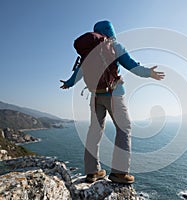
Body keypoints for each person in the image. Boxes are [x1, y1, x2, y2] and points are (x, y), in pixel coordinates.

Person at [60, 20, 165, 184]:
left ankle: (92, 172)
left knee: (94, 131)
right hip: (114, 94)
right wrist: (149, 73)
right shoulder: (114, 46)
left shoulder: (89, 52)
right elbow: (132, 66)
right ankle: (120, 173)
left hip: (95, 96)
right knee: (124, 128)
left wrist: (68, 83)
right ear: (111, 31)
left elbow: (79, 73)